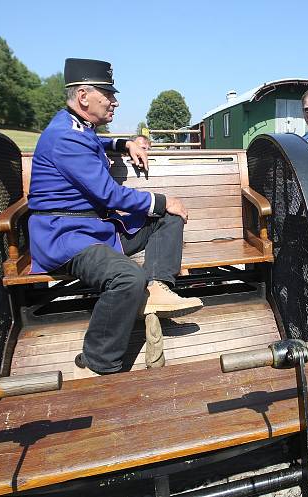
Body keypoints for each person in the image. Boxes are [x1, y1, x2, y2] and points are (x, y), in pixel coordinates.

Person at [27, 58, 202, 375]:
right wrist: (161, 200)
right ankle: (99, 359)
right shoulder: (65, 138)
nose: (115, 101)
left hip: (93, 229)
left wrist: (125, 143)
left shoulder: (77, 128)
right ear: (84, 96)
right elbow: (109, 194)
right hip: (67, 237)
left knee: (168, 219)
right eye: (108, 94)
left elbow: (95, 141)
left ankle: (157, 289)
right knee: (128, 277)